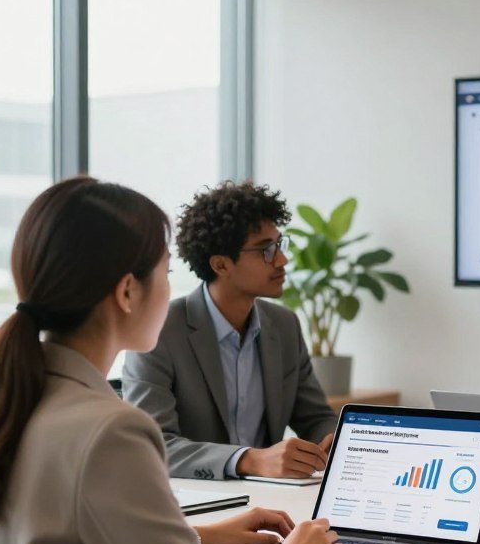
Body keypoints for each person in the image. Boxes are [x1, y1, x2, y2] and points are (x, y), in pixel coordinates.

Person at [0, 178, 342, 544]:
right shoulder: (111, 431)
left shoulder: (15, 396)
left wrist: (197, 537)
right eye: (165, 272)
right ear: (127, 291)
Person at [123, 181, 336, 482]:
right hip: (195, 499)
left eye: (280, 244)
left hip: (271, 496)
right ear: (221, 265)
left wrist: (333, 440)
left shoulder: (284, 325)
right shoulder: (159, 331)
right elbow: (153, 445)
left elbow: (316, 418)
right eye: (266, 250)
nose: (282, 259)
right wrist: (249, 460)